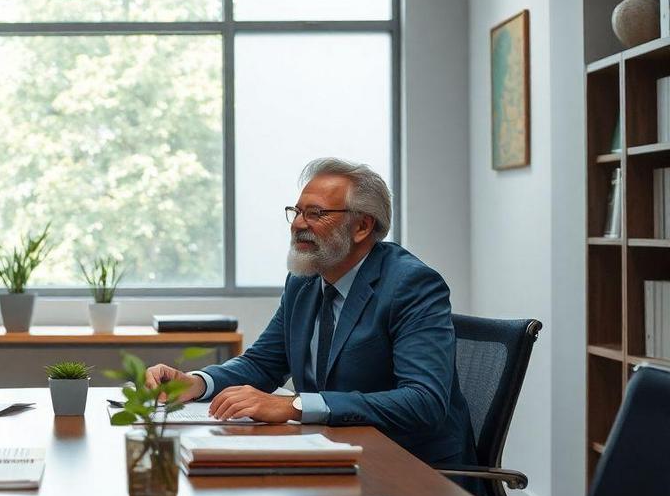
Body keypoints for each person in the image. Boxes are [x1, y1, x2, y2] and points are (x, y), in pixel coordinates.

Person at [145, 157, 477, 472]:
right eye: (297, 212)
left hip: (411, 467)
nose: (299, 225)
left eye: (316, 214)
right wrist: (198, 382)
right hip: (332, 453)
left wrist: (295, 405)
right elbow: (263, 363)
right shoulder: (304, 281)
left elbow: (423, 402)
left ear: (362, 226)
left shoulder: (411, 284)